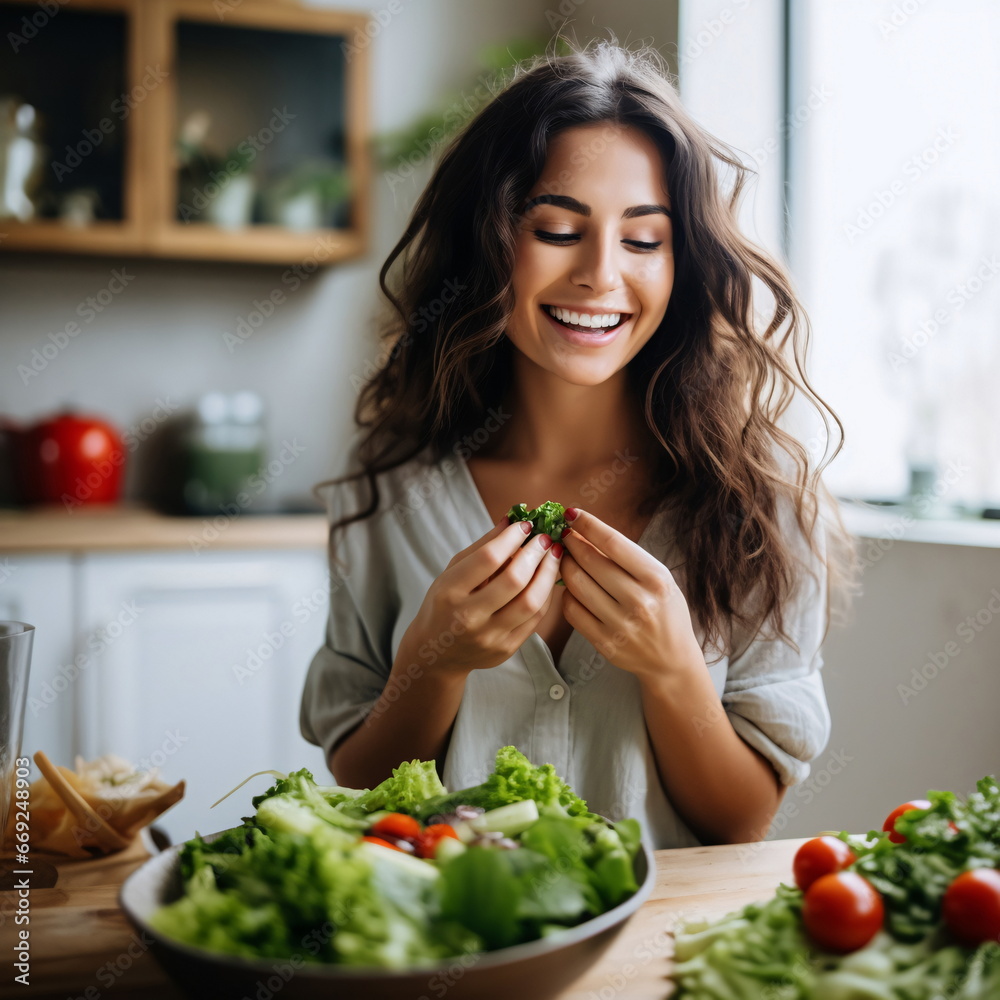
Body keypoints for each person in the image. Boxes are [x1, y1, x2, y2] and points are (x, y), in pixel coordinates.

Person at [300, 38, 860, 849]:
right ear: (487, 243)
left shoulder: (761, 498)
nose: (602, 274)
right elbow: (358, 781)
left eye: (643, 240)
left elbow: (743, 819)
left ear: (685, 263)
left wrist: (672, 668)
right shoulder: (391, 489)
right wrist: (434, 659)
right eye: (558, 229)